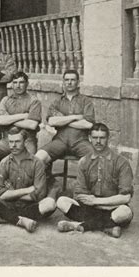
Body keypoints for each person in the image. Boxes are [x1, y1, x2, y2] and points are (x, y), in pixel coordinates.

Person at [56, 123, 134, 238]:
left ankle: (79, 225)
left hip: (112, 208)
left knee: (125, 213)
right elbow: (79, 194)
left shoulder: (121, 162)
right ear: (89, 138)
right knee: (61, 201)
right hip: (90, 209)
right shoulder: (84, 161)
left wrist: (97, 201)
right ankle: (106, 227)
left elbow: (126, 197)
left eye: (102, 138)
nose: (98, 141)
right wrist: (91, 202)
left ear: (108, 138)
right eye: (95, 138)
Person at [0, 127, 56, 232]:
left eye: (17, 141)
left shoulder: (37, 163)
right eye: (10, 142)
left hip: (30, 206)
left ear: (25, 142)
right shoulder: (4, 163)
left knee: (50, 204)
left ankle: (5, 217)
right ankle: (21, 220)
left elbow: (38, 194)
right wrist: (27, 190)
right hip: (8, 204)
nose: (13, 145)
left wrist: (10, 193)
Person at [34, 69, 95, 198]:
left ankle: (84, 193)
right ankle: (51, 185)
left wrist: (62, 120)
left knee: (95, 160)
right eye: (67, 80)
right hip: (60, 141)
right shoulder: (57, 101)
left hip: (80, 141)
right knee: (39, 158)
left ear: (78, 82)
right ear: (63, 82)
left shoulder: (86, 101)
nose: (69, 82)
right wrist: (76, 117)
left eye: (72, 80)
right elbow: (51, 121)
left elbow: (88, 124)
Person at [0, 71, 41, 190]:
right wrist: (23, 115)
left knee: (31, 162)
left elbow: (32, 125)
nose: (18, 86)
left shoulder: (34, 100)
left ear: (27, 84)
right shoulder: (5, 100)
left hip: (27, 140)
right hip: (7, 139)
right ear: (11, 85)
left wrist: (8, 119)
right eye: (15, 83)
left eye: (21, 82)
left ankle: (25, 190)